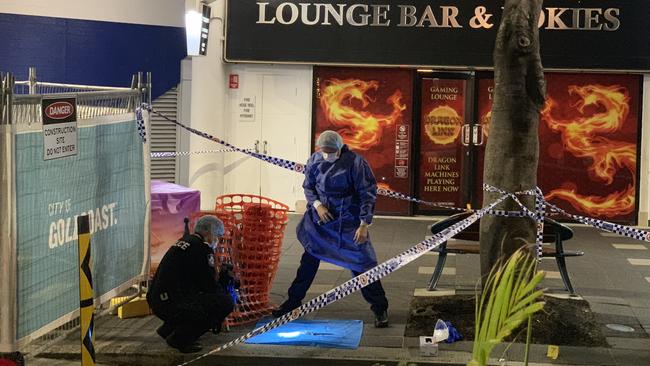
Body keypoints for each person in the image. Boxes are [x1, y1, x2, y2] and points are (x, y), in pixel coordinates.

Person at [273, 130, 389, 328]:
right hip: (320, 222)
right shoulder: (315, 160)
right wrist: (317, 204)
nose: (327, 155)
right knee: (308, 262)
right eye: (324, 151)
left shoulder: (355, 163)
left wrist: (363, 224)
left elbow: (367, 194)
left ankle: (380, 308)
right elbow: (309, 187)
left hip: (348, 223)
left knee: (362, 265)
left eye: (331, 151)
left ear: (340, 148)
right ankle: (292, 303)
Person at [147, 215, 235, 353]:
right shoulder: (202, 249)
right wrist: (225, 283)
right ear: (209, 232)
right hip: (170, 304)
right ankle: (180, 339)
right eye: (217, 236)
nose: (217, 240)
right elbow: (208, 285)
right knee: (224, 303)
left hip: (158, 300)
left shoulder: (185, 242)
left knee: (198, 298)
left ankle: (169, 329)